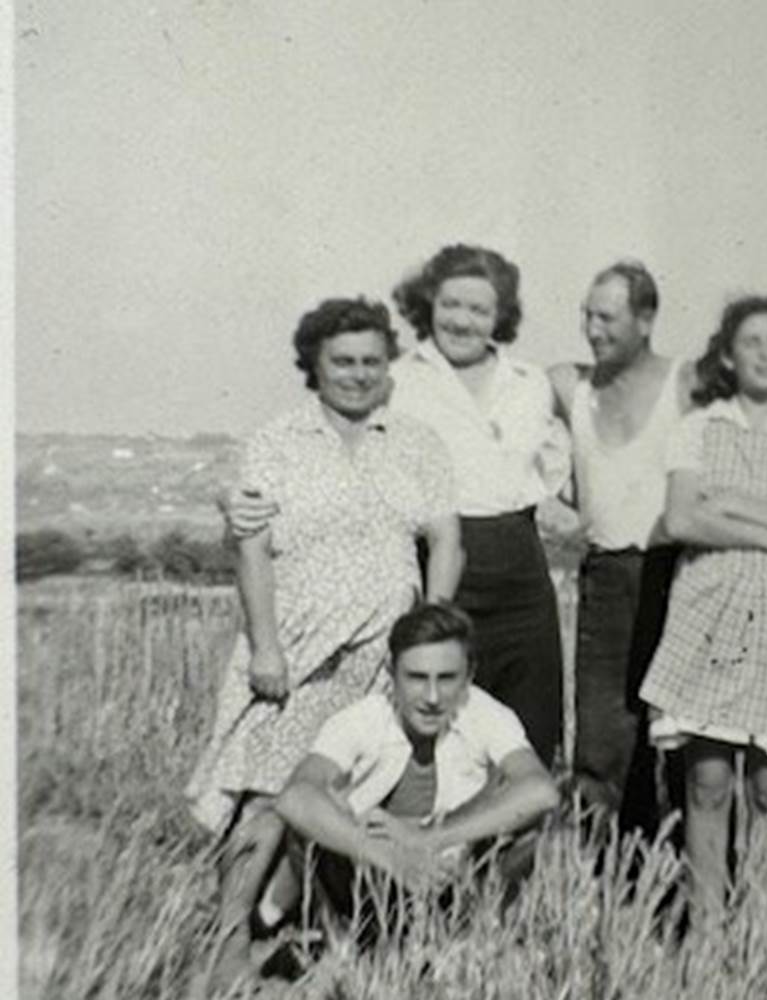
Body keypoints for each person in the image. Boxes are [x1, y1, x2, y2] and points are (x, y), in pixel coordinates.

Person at [185, 297, 463, 990]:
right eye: (343, 361)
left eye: (372, 361)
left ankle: (337, 942)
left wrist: (430, 629)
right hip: (297, 655)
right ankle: (228, 942)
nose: (359, 375)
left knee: (350, 795)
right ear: (314, 363)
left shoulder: (416, 441)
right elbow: (251, 549)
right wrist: (267, 648)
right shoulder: (277, 442)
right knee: (266, 794)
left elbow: (446, 540)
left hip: (377, 659)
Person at [225, 245, 568, 770]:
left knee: (529, 728)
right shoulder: (396, 379)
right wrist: (228, 497)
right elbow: (318, 439)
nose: (463, 320)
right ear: (427, 304)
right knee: (435, 728)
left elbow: (555, 472)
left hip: (522, 568)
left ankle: (511, 847)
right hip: (439, 560)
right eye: (451, 304)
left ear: (501, 317)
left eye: (479, 309)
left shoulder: (530, 383)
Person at [546, 262, 767, 841]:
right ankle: (606, 888)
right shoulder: (566, 385)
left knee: (685, 747)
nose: (591, 329)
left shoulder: (683, 382)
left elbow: (758, 384)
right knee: (601, 744)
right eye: (586, 315)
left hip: (680, 576)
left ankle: (682, 893)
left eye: (606, 317)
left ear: (646, 320)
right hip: (604, 580)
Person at [638, 295, 767, 928]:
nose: (763, 353)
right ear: (727, 354)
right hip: (709, 612)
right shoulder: (698, 428)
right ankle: (707, 936)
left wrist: (727, 502)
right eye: (750, 342)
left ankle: (759, 930)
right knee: (708, 782)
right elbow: (679, 518)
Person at [274, 601, 559, 945]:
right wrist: (393, 858)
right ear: (392, 673)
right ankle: (346, 946)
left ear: (469, 676)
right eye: (417, 678)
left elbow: (541, 791)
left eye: (447, 678)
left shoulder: (485, 713)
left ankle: (477, 940)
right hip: (369, 874)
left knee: (534, 830)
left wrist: (426, 839)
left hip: (452, 876)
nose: (433, 697)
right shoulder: (361, 719)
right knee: (308, 828)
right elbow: (295, 798)